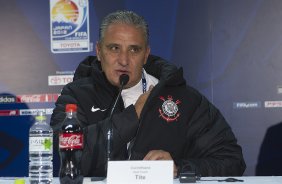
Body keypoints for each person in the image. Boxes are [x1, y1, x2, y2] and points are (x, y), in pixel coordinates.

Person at [51, 10, 246, 177]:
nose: (124, 60)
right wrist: (133, 116)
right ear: (99, 51)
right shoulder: (75, 96)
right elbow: (68, 158)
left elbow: (231, 160)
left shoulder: (182, 99)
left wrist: (178, 167)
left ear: (146, 55)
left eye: (134, 50)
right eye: (114, 48)